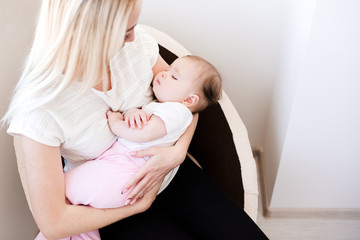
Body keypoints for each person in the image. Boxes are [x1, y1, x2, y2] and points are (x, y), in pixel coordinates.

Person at [2, 0, 268, 239]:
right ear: (87, 33)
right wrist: (138, 206)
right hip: (115, 203)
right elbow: (54, 224)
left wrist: (177, 152)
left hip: (171, 173)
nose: (134, 38)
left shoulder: (137, 46)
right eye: (125, 32)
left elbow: (189, 102)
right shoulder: (38, 111)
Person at [39, 55, 221, 240]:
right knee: (78, 219)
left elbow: (143, 134)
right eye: (168, 70)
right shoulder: (165, 107)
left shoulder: (177, 111)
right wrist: (133, 112)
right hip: (121, 172)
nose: (164, 73)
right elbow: (146, 124)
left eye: (173, 76)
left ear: (190, 101)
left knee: (59, 193)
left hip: (123, 171)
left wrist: (116, 121)